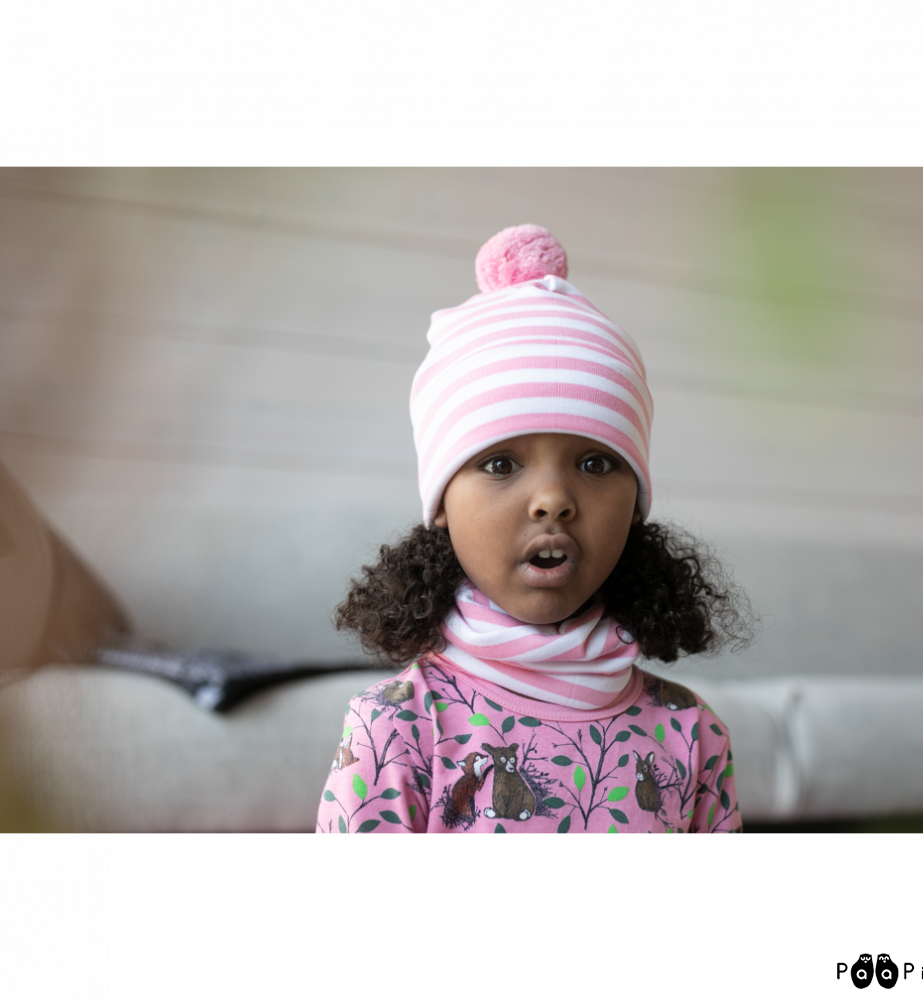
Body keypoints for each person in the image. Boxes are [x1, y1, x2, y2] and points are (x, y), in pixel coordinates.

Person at [317, 225, 754, 834]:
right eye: (501, 464)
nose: (552, 500)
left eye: (594, 463)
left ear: (635, 501)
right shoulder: (395, 727)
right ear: (441, 501)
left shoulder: (692, 732)